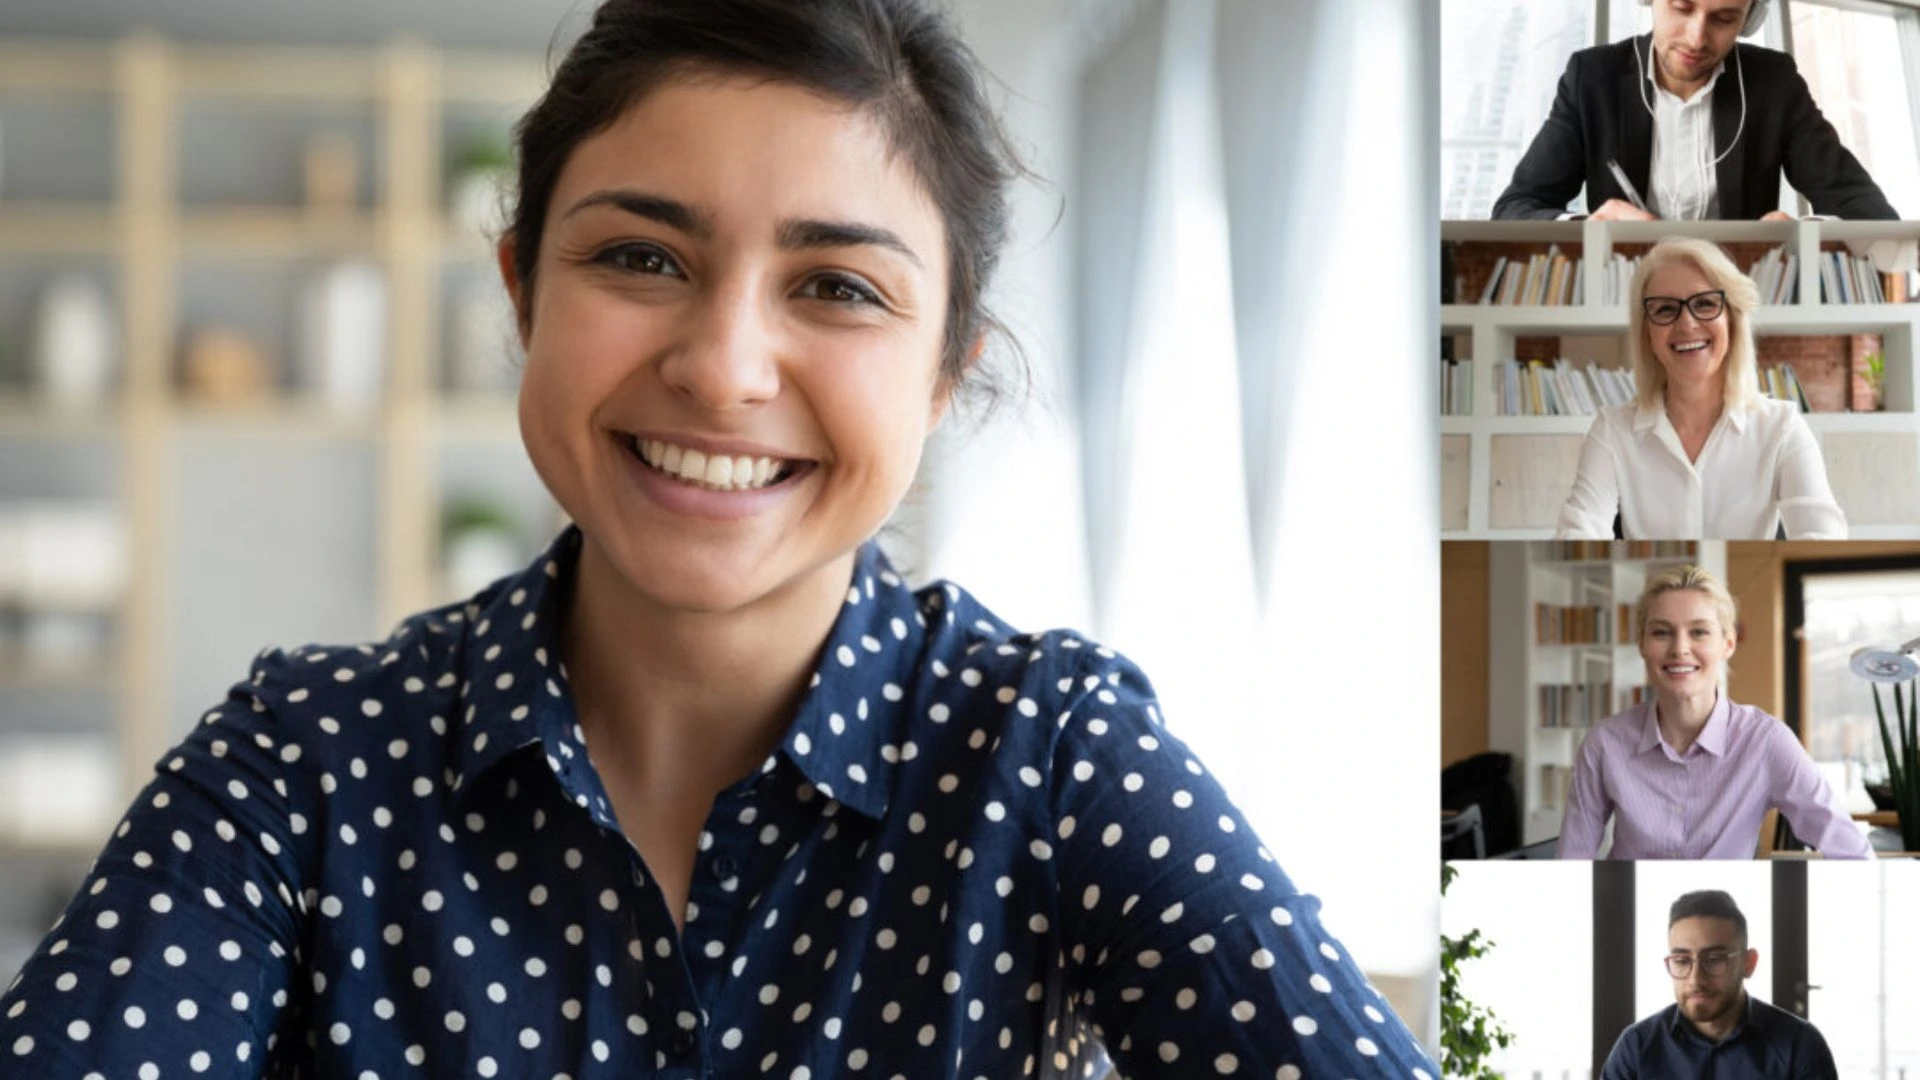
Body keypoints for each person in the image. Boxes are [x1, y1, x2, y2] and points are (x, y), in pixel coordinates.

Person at [0, 2, 1438, 1076]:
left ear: (945, 373)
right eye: (641, 258)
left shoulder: (1052, 757)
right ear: (523, 292)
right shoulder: (305, 765)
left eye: (838, 287)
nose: (724, 367)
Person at [1559, 565, 1869, 859]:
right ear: (1642, 643)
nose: (1680, 648)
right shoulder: (1604, 743)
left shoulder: (1766, 741)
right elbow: (1572, 862)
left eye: (1698, 632)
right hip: (1627, 898)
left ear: (1728, 643)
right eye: (1661, 632)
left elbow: (1852, 854)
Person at [1492, 0, 1898, 221]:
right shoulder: (1592, 78)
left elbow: (1868, 211)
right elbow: (1516, 208)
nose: (1696, 38)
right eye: (1682, 8)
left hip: (1736, 303)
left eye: (1723, 19)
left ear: (1749, 20)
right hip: (1623, 301)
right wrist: (1588, 228)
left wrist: (1802, 237)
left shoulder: (1774, 84)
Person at [1555, 236, 1846, 540]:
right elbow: (1578, 533)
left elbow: (1823, 537)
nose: (1687, 324)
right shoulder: (1612, 430)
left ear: (1732, 321)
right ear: (1647, 333)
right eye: (1665, 309)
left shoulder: (1782, 427)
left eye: (1705, 303)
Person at [1600, 890, 1839, 1078]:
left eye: (1714, 960)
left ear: (1748, 963)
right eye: (1681, 961)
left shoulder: (1799, 1045)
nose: (1696, 979)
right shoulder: (1636, 1047)